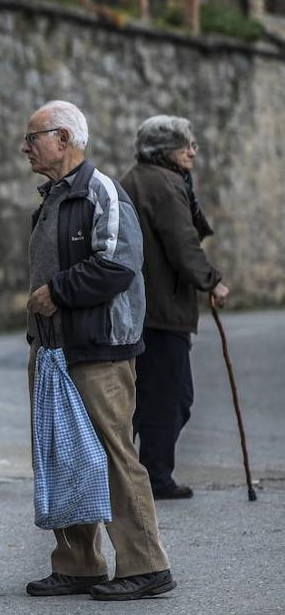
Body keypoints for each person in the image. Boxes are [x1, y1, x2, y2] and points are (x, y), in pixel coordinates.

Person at [20, 100, 175, 601]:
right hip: (54, 352)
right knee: (65, 458)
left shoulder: (100, 191)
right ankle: (79, 564)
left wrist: (56, 292)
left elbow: (118, 266)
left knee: (113, 456)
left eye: (34, 137)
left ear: (64, 139)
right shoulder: (54, 197)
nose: (26, 147)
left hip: (100, 351)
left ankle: (146, 565)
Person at [121, 115, 230, 500]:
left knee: (144, 397)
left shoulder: (135, 178)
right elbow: (183, 244)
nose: (194, 151)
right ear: (167, 150)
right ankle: (155, 477)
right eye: (188, 145)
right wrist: (212, 280)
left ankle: (130, 473)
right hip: (162, 311)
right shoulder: (165, 185)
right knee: (172, 397)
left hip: (139, 309)